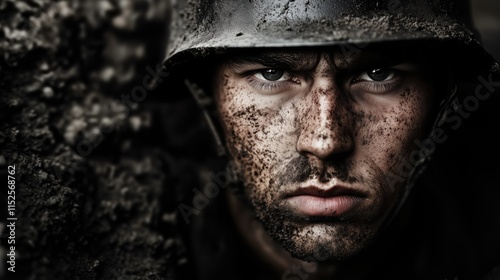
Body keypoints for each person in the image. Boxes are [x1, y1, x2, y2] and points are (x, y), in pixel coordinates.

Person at [157, 1, 500, 279]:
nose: (325, 142)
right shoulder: (138, 231)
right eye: (271, 74)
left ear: (442, 99)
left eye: (378, 74)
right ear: (208, 100)